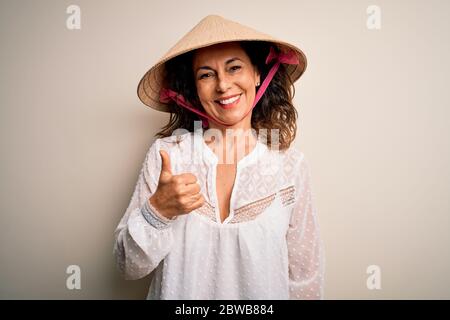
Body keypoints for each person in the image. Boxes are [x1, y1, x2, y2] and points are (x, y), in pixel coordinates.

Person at [113, 14, 325, 299]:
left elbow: (305, 277)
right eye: (206, 74)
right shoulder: (168, 156)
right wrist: (157, 212)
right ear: (194, 89)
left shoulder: (290, 165)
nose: (223, 85)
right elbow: (128, 267)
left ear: (257, 74)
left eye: (234, 67)